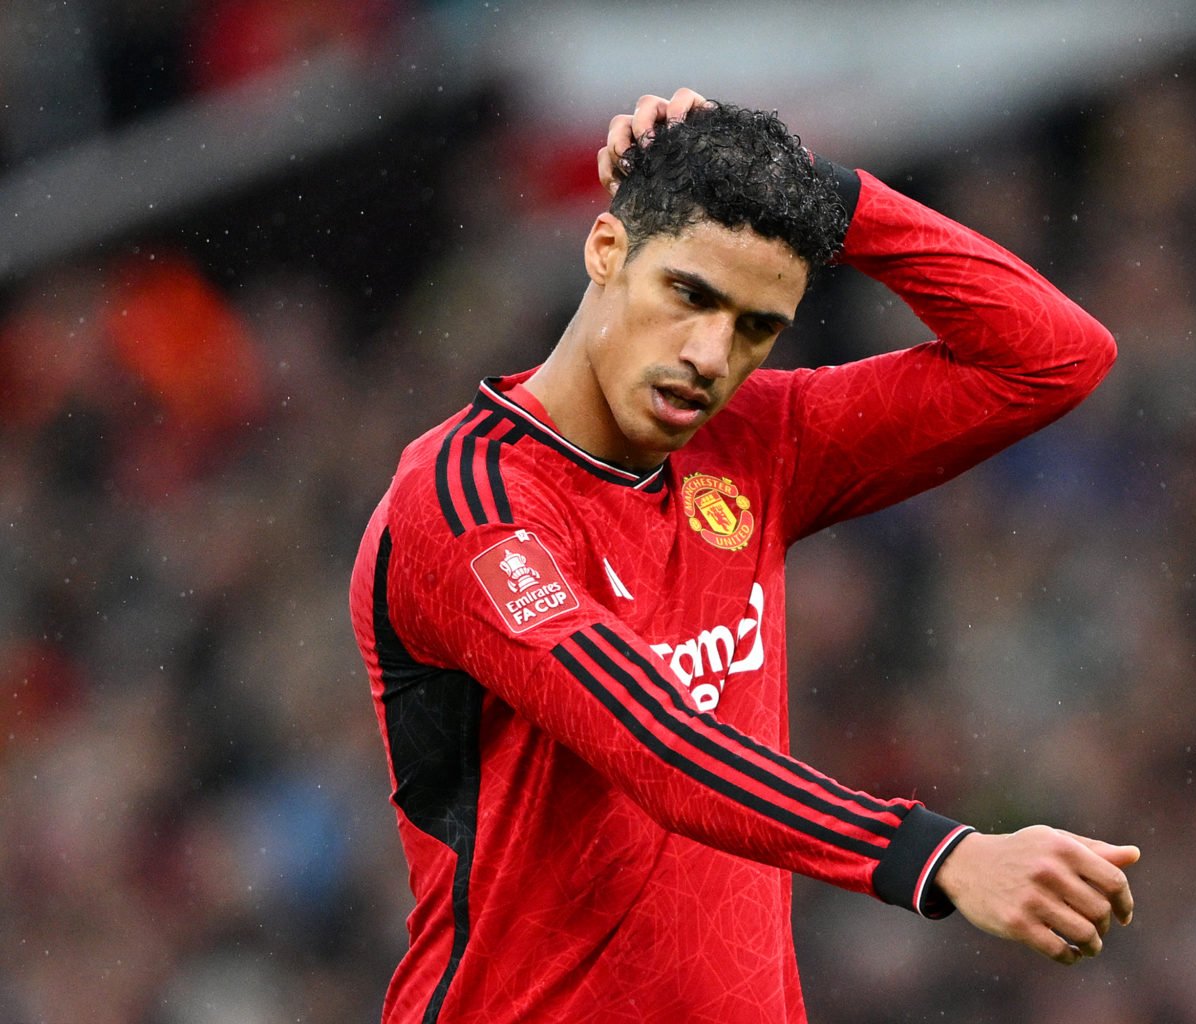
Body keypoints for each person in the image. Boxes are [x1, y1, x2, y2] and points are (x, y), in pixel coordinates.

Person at [349, 88, 1137, 1023]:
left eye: (757, 326)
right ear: (606, 251)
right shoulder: (466, 506)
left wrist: (830, 196)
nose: (710, 355)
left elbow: (1053, 357)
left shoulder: (757, 443)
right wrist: (941, 855)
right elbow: (662, 747)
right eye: (689, 294)